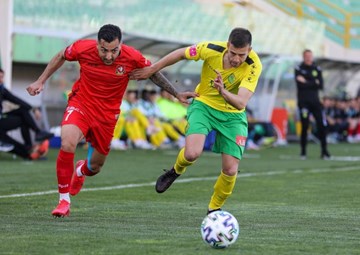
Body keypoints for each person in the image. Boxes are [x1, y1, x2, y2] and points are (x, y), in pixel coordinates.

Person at [26, 24, 197, 217]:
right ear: (97, 44)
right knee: (67, 143)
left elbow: (153, 72)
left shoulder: (132, 56)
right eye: (103, 50)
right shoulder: (83, 48)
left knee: (95, 167)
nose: (108, 56)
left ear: (120, 45)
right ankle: (63, 201)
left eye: (114, 51)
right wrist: (41, 80)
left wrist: (176, 93)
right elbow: (61, 56)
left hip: (107, 116)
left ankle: (81, 170)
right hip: (81, 105)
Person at [130, 27, 262, 214]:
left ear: (249, 50)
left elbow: (241, 103)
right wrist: (153, 68)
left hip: (233, 115)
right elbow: (180, 54)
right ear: (227, 45)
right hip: (204, 106)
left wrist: (223, 91)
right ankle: (175, 171)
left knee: (231, 170)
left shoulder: (254, 65)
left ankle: (214, 210)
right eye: (233, 53)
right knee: (192, 153)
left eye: (241, 55)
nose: (236, 59)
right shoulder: (211, 48)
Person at [0, 68, 53, 160]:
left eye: (2, 77)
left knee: (23, 112)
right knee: (8, 142)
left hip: (2, 120)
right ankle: (28, 152)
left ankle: (36, 135)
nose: (1, 80)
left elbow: (16, 99)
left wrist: (33, 109)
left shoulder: (2, 90)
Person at [294, 49, 331, 159]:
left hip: (316, 102)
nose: (308, 58)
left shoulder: (317, 69)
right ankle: (303, 152)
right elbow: (300, 85)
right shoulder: (299, 68)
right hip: (304, 103)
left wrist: (305, 81)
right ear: (303, 57)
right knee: (305, 126)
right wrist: (313, 82)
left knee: (321, 125)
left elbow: (320, 85)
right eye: (306, 56)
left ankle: (324, 151)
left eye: (310, 56)